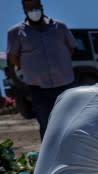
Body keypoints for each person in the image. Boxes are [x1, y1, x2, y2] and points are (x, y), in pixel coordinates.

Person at [6, 0, 75, 139]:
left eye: (36, 6)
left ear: (41, 6)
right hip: (38, 88)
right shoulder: (15, 33)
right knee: (46, 125)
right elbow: (13, 57)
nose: (34, 10)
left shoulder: (60, 27)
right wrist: (29, 69)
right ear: (24, 9)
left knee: (71, 123)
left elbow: (71, 48)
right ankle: (50, 159)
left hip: (65, 84)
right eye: (30, 7)